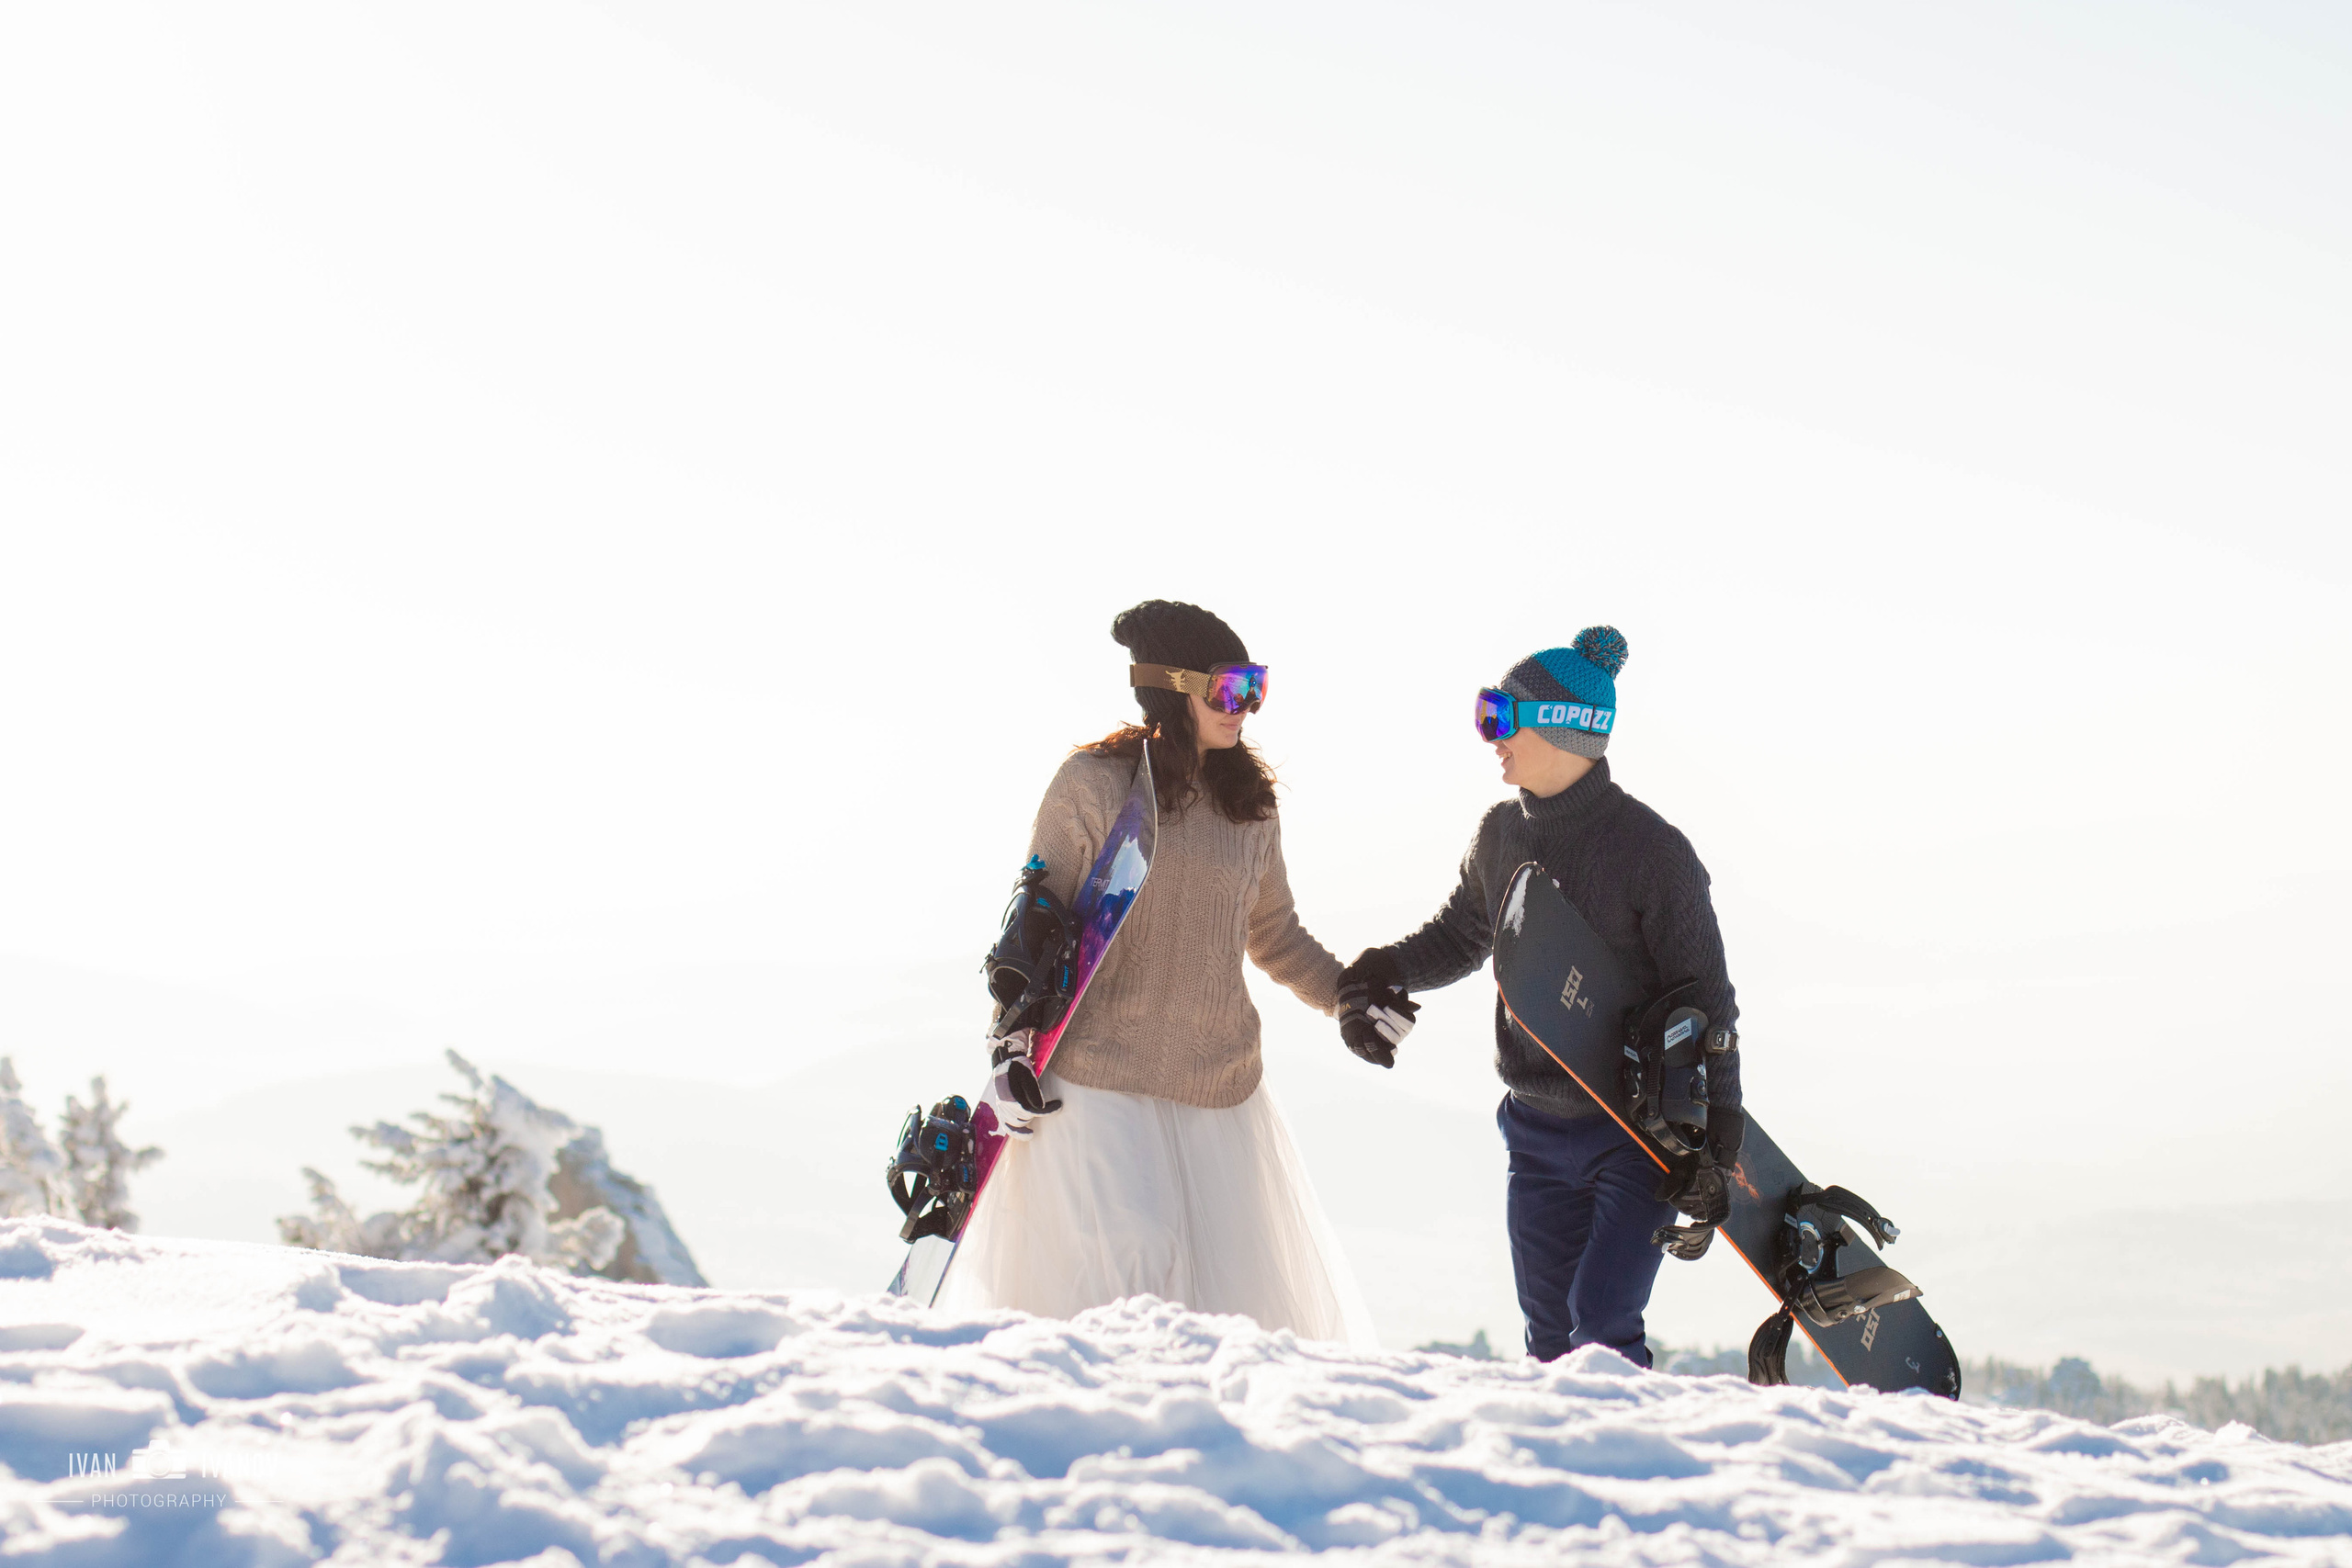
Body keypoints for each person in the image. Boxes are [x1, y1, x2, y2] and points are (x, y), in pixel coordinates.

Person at [937, 599, 1376, 1346]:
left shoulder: (1249, 806)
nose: (1245, 707)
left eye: (1256, 688)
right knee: (1134, 1253)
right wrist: (1009, 1050)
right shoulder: (1092, 785)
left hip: (1216, 1084)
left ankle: (1183, 1419)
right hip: (1097, 1069)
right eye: (1229, 688)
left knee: (1223, 1310)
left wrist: (1349, 998)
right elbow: (1034, 924)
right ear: (1172, 689)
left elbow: (1274, 934)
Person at [1331, 626, 1743, 1366]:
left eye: (1499, 716)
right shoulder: (1499, 834)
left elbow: (1711, 1008)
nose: (1490, 737)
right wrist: (1381, 969)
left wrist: (1717, 1147)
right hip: (1534, 1131)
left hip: (1634, 1134)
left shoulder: (1654, 853)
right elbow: (1463, 934)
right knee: (1550, 1337)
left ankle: (1629, 1438)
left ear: (1561, 725)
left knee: (1602, 1324)